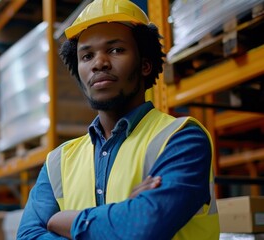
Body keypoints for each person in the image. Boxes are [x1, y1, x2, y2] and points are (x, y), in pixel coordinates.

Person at [17, 0, 220, 239]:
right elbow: (28, 235)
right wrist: (121, 215)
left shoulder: (182, 139)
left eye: (116, 50)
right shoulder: (58, 162)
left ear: (145, 65)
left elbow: (143, 226)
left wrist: (65, 222)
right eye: (87, 56)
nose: (98, 63)